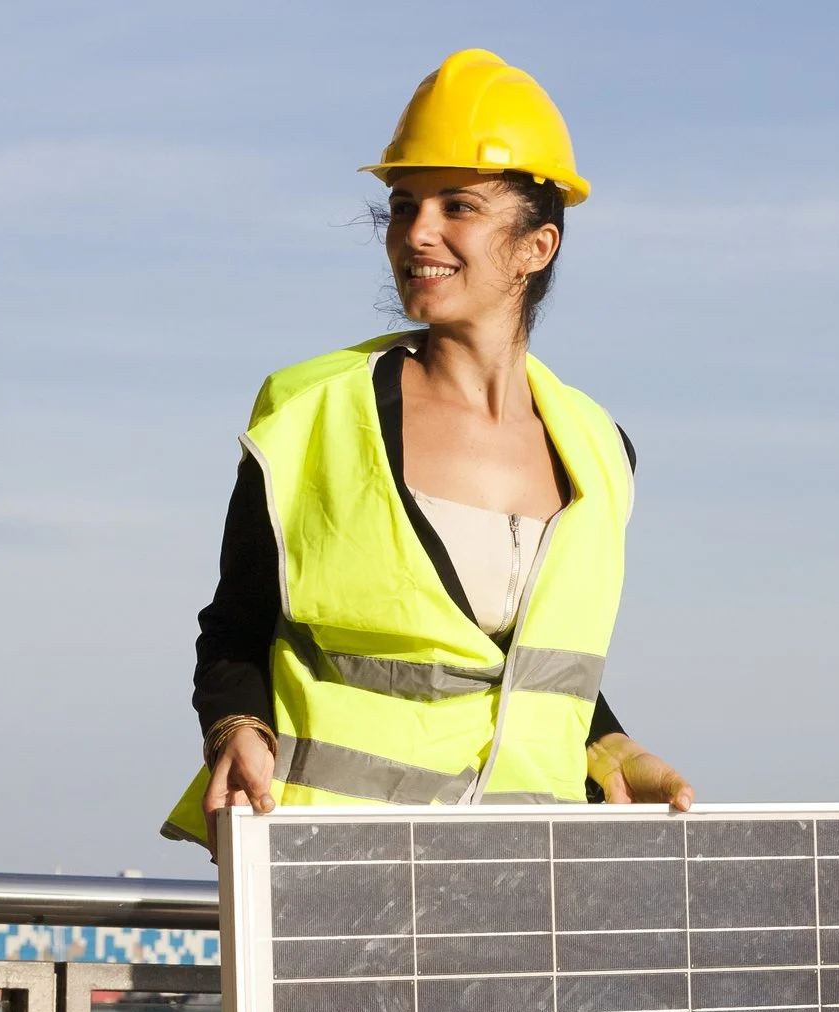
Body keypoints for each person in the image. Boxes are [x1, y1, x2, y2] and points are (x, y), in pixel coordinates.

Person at [164, 48, 692, 848]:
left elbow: (528, 669)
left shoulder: (601, 449)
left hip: (526, 881)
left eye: (458, 206)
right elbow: (235, 629)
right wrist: (237, 727)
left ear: (535, 246)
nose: (419, 232)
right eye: (405, 204)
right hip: (329, 870)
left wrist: (614, 746)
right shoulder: (309, 412)